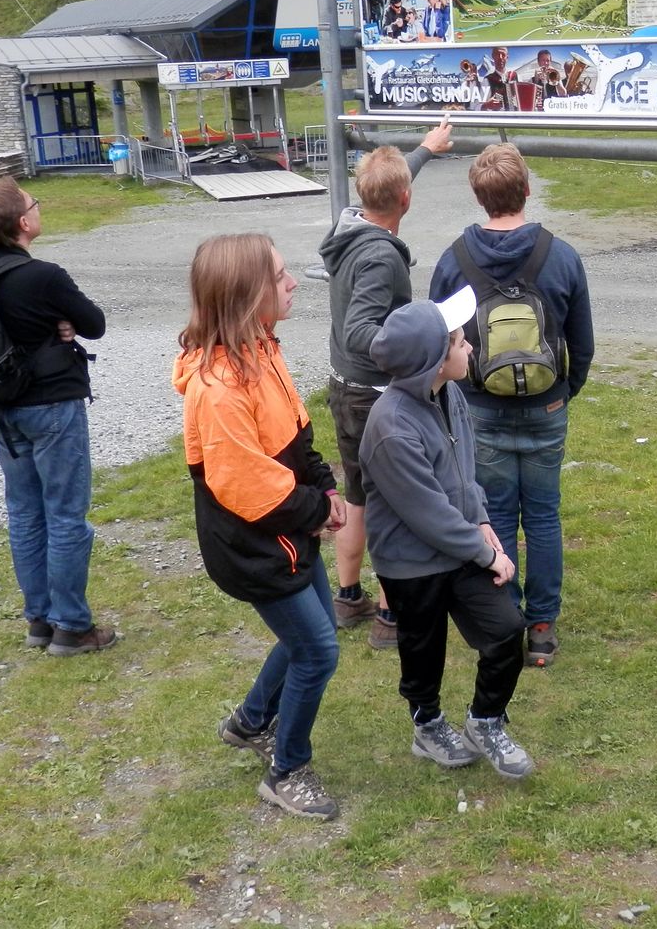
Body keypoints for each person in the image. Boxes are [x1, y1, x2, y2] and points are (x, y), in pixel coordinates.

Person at [172, 233, 347, 821]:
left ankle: (250, 722)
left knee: (312, 635)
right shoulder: (218, 391)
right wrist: (316, 511)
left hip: (287, 534)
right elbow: (248, 488)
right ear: (245, 294)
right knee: (317, 652)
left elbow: (296, 433)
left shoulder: (262, 349)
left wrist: (325, 488)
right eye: (279, 276)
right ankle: (287, 770)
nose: (293, 282)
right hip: (255, 549)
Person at [429, 145, 594, 669]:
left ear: (479, 196)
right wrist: (562, 392)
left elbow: (438, 340)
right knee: (543, 514)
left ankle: (504, 618)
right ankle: (542, 630)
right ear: (526, 189)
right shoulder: (561, 256)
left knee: (495, 513)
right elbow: (582, 343)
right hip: (547, 407)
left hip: (480, 409)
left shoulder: (454, 260)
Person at [360, 290, 535, 779]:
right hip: (411, 564)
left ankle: (485, 721)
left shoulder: (449, 393)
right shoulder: (391, 427)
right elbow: (428, 514)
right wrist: (487, 554)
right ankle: (427, 724)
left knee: (506, 630)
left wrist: (482, 520)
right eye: (460, 342)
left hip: (459, 547)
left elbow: (463, 469)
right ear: (435, 362)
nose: (471, 347)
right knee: (423, 649)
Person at [319, 119, 455, 650]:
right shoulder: (378, 256)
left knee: (357, 496)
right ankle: (390, 617)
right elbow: (361, 330)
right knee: (393, 505)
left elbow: (389, 183)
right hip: (373, 397)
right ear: (405, 200)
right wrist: (413, 346)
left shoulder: (349, 228)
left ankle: (347, 597)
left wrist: (424, 149)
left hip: (344, 388)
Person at [0, 178, 114, 657]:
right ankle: (71, 626)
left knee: (25, 513)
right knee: (65, 514)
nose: (38, 208)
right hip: (51, 406)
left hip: (1, 407)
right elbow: (95, 324)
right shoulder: (44, 276)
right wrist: (62, 323)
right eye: (35, 204)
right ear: (23, 223)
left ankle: (40, 621)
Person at [477, 45, 513, 110]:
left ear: (507, 57)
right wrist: (486, 105)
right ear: (493, 57)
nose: (500, 57)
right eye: (497, 54)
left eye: (503, 55)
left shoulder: (516, 77)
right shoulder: (487, 80)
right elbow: (478, 107)